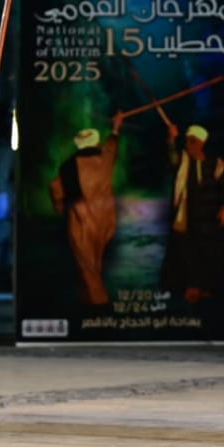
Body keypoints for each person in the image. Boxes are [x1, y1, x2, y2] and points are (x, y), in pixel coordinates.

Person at [48, 110, 135, 307]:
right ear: (95, 143)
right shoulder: (105, 160)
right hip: (105, 219)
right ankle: (88, 297)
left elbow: (56, 189)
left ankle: (98, 302)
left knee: (86, 264)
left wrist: (60, 206)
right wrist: (116, 127)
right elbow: (112, 146)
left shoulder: (68, 166)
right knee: (95, 261)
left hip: (80, 219)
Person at [161, 122, 224, 305]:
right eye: (187, 141)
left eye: (193, 141)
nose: (189, 145)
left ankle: (204, 287)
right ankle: (191, 287)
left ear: (201, 143)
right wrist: (172, 139)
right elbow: (172, 158)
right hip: (187, 215)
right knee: (187, 251)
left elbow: (223, 187)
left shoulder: (215, 163)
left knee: (207, 252)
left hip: (208, 217)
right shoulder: (183, 161)